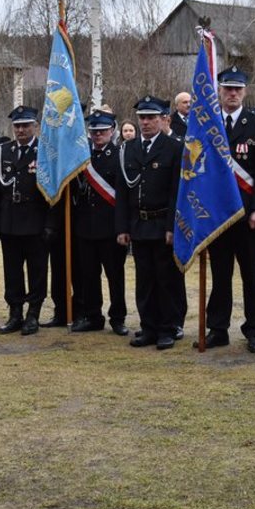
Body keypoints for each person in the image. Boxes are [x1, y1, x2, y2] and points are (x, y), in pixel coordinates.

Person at [200, 67, 255, 352]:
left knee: (250, 275)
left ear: (244, 92)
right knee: (220, 275)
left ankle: (253, 329)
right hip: (217, 215)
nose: (232, 93)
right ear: (219, 91)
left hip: (247, 215)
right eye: (227, 89)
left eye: (237, 89)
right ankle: (218, 328)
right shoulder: (208, 123)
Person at [117, 96, 185, 350]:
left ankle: (168, 328)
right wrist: (122, 228)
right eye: (142, 118)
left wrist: (171, 227)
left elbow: (176, 191)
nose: (145, 122)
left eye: (151, 118)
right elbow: (122, 192)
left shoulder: (174, 147)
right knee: (144, 279)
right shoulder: (128, 148)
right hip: (139, 223)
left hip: (162, 222)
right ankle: (148, 327)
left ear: (163, 119)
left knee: (166, 279)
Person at [0, 106, 53, 335]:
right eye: (17, 126)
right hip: (10, 220)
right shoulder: (3, 151)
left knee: (37, 271)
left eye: (25, 125)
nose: (21, 130)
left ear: (35, 126)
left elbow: (53, 192)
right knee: (12, 271)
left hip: (36, 221)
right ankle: (15, 313)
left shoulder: (45, 152)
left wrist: (50, 224)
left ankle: (33, 313)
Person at [71, 111, 128, 335]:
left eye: (102, 131)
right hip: (85, 227)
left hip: (110, 227)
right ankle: (93, 316)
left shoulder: (120, 155)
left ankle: (118, 318)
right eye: (94, 131)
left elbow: (122, 195)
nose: (98, 135)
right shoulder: (82, 156)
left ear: (112, 131)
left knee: (115, 276)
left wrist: (122, 228)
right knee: (89, 276)